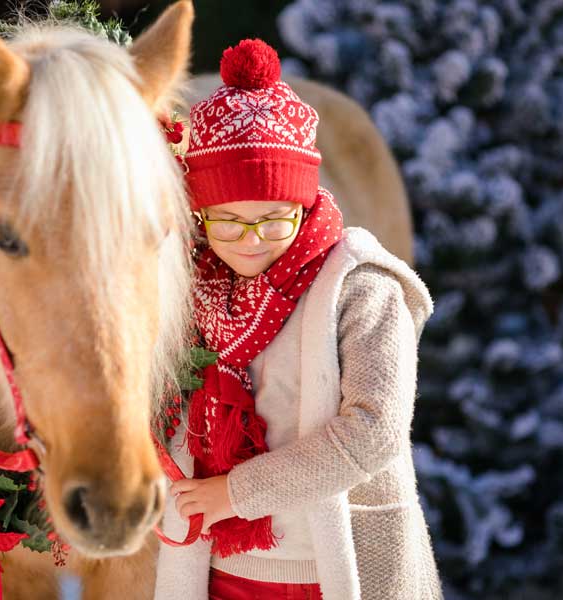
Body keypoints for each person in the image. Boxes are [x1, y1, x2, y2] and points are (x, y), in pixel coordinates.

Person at [153, 39, 444, 600]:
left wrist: (234, 494)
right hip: (220, 572)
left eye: (274, 220)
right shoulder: (197, 287)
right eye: (229, 222)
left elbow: (373, 431)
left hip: (337, 570)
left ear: (304, 204)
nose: (251, 241)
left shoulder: (361, 287)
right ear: (201, 214)